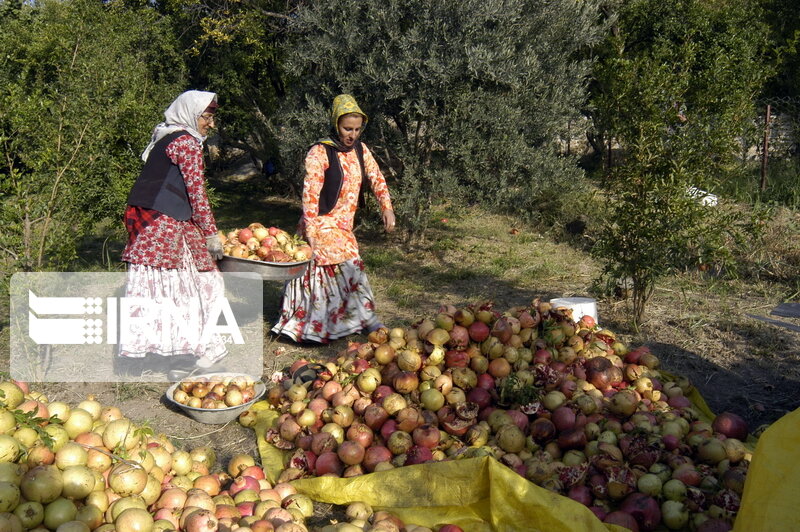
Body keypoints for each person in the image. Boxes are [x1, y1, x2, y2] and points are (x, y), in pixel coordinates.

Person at [272, 94, 396, 343]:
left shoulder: (360, 149)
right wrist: (312, 232)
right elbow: (310, 193)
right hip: (321, 221)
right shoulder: (320, 152)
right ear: (336, 123)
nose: (352, 134)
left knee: (348, 266)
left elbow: (376, 177)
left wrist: (387, 206)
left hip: (344, 224)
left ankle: (355, 319)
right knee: (346, 264)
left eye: (357, 129)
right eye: (347, 128)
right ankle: (323, 325)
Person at [119, 90, 227, 369]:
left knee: (165, 286)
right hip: (162, 221)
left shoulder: (167, 135)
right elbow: (197, 192)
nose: (211, 124)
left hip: (153, 217)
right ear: (192, 114)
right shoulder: (187, 142)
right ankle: (190, 349)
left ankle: (180, 347)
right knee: (193, 284)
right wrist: (211, 233)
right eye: (208, 116)